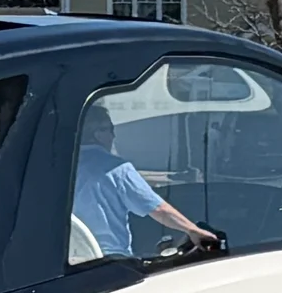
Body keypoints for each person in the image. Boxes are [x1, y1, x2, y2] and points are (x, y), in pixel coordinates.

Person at [72, 104, 216, 259]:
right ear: (98, 134)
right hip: (109, 261)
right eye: (110, 129)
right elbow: (159, 210)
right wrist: (193, 231)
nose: (113, 136)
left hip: (69, 261)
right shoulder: (117, 169)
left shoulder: (62, 169)